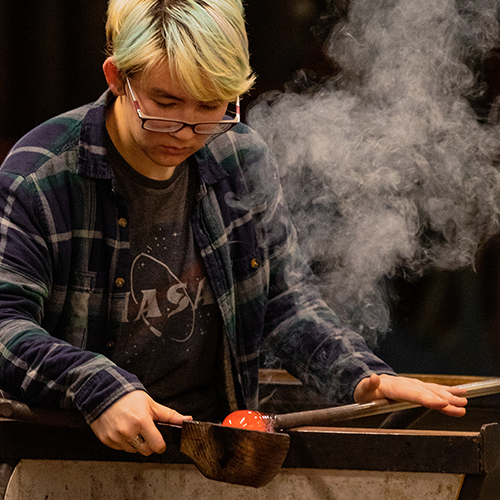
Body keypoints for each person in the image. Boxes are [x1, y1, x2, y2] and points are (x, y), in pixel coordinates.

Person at [0, 0, 466, 457]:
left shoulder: (240, 158)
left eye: (211, 107)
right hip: (71, 453)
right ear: (118, 78)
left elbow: (285, 305)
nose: (187, 130)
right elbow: (5, 324)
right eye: (165, 103)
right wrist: (95, 386)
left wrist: (364, 376)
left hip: (214, 452)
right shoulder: (39, 178)